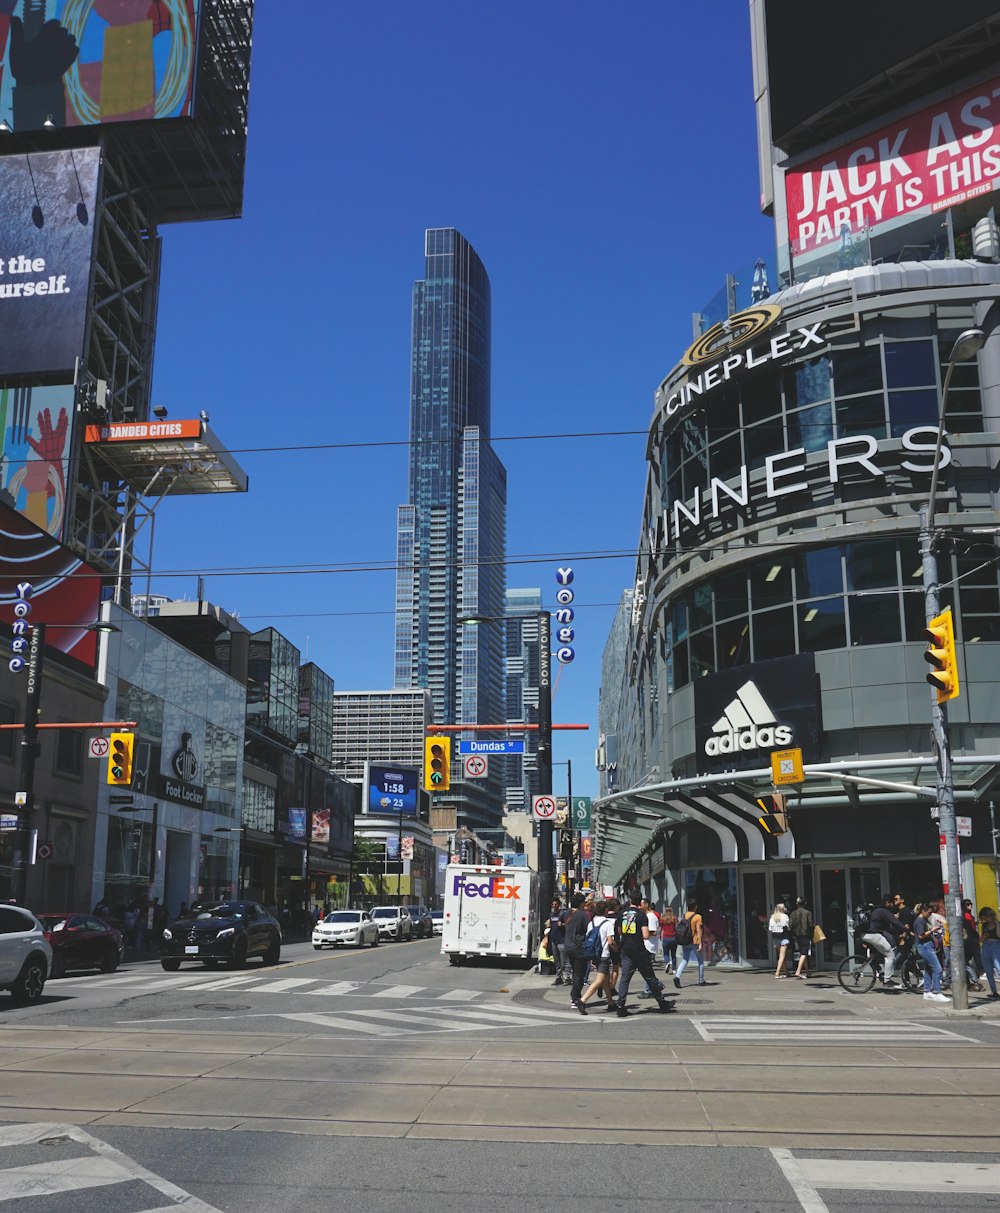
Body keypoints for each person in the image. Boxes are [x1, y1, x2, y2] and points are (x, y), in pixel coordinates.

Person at [614, 894, 670, 1016]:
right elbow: (645, 935)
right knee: (649, 976)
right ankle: (661, 1002)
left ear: (630, 900)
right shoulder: (641, 915)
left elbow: (619, 932)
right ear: (640, 903)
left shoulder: (621, 913)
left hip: (625, 949)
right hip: (639, 950)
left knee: (625, 978)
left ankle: (620, 1005)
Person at [578, 898, 619, 1013]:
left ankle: (611, 1003)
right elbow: (610, 941)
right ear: (606, 910)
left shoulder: (592, 923)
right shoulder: (608, 923)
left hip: (594, 954)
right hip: (604, 955)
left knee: (605, 980)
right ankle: (582, 1000)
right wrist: (617, 948)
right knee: (600, 980)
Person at [861, 895, 906, 986]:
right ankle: (887, 980)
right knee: (890, 955)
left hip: (865, 935)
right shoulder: (883, 911)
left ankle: (878, 971)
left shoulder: (876, 910)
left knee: (875, 955)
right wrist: (907, 930)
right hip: (873, 935)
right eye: (891, 902)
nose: (893, 904)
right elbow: (895, 922)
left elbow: (887, 928)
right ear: (887, 903)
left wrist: (897, 933)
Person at [913, 901, 949, 1002]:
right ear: (923, 911)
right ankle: (937, 992)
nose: (930, 915)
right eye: (928, 912)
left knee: (929, 969)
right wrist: (932, 930)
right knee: (938, 969)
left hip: (928, 946)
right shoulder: (919, 921)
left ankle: (927, 991)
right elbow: (921, 935)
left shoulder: (924, 920)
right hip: (925, 947)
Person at [562, 892, 592, 1010]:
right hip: (578, 947)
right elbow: (588, 929)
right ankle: (575, 998)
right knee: (579, 973)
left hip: (568, 945)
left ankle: (576, 995)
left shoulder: (567, 913)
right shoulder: (582, 915)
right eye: (584, 902)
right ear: (580, 903)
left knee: (575, 971)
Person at [673, 899, 705, 987]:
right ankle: (701, 980)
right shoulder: (698, 916)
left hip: (685, 940)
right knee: (701, 961)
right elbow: (699, 930)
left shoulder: (685, 915)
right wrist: (700, 943)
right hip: (694, 941)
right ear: (695, 907)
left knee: (685, 959)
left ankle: (677, 976)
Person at [638, 897, 660, 998]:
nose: (639, 907)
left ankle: (649, 989)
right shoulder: (648, 916)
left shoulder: (650, 917)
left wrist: (640, 935)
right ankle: (653, 987)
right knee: (647, 969)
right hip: (648, 945)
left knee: (646, 969)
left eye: (641, 905)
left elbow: (653, 932)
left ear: (646, 905)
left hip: (649, 946)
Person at [788, 897, 814, 980]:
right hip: (806, 934)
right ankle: (798, 971)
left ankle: (807, 971)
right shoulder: (808, 913)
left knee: (803, 952)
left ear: (797, 904)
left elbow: (790, 926)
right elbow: (811, 924)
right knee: (804, 953)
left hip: (797, 935)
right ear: (804, 904)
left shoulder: (793, 913)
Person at [979, 908, 1000, 1000]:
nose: (984, 920)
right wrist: (984, 936)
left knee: (999, 967)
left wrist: (997, 925)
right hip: (986, 946)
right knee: (988, 970)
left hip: (996, 946)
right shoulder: (984, 925)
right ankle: (994, 991)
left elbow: (999, 935)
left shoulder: (997, 924)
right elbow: (980, 939)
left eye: (985, 917)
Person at [548, 900, 568, 987]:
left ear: (559, 905)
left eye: (556, 904)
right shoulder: (551, 915)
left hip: (561, 940)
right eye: (553, 904)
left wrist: (563, 924)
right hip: (554, 940)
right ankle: (558, 977)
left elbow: (568, 924)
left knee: (564, 961)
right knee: (557, 961)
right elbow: (550, 925)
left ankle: (567, 977)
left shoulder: (562, 914)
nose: (554, 905)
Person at [769, 902, 791, 978]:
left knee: (781, 955)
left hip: (775, 937)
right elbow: (788, 927)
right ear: (782, 909)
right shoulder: (785, 916)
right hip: (784, 936)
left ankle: (785, 972)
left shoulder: (772, 917)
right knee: (782, 956)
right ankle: (777, 973)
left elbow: (770, 928)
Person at [660, 907, 678, 974]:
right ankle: (674, 969)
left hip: (666, 937)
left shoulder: (662, 919)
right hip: (673, 938)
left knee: (666, 953)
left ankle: (667, 963)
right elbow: (677, 927)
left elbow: (661, 928)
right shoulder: (674, 918)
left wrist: (660, 935)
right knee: (673, 954)